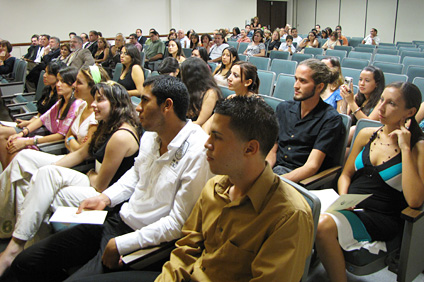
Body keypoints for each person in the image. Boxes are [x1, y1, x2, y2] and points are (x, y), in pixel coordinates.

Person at [73, 96, 315, 282]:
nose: (206, 144)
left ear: (250, 149)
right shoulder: (214, 188)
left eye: (216, 137)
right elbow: (186, 248)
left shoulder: (288, 216)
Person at [11, 75, 213, 281]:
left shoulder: (197, 150)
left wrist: (122, 244)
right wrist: (106, 198)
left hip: (144, 242)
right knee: (26, 261)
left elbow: (178, 223)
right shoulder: (152, 135)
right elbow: (136, 174)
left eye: (144, 100)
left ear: (167, 106)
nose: (138, 107)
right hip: (117, 222)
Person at [0, 81, 141, 276]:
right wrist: (45, 170)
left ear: (116, 104)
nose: (93, 104)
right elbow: (81, 153)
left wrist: (91, 175)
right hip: (92, 180)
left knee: (43, 193)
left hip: (106, 197)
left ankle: (24, 247)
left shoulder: (121, 136)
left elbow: (101, 184)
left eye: (100, 100)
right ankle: (21, 244)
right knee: (43, 175)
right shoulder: (106, 124)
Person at [316, 82, 424, 282]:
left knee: (322, 225)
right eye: (381, 99)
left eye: (391, 103)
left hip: (381, 216)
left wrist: (406, 148)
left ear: (410, 112)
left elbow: (415, 201)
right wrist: (344, 199)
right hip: (350, 206)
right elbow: (346, 174)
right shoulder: (367, 134)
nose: (380, 108)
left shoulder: (418, 148)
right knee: (301, 211)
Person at [0, 65, 109, 240]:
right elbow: (68, 135)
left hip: (76, 164)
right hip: (67, 155)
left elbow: (84, 150)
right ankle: (16, 224)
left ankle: (15, 227)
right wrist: (73, 141)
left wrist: (71, 141)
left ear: (92, 87)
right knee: (21, 159)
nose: (74, 86)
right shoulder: (82, 106)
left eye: (79, 83)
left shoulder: (96, 112)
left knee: (28, 174)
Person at [267, 59, 344, 183]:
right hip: (275, 171)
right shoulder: (284, 108)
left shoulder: (330, 119)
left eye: (303, 81)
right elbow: (273, 149)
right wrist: (265, 172)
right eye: (296, 79)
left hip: (299, 179)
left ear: (319, 87)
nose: (296, 85)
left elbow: (312, 166)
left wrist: (275, 181)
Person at [0, 67, 83, 169]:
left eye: (63, 82)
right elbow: (42, 119)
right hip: (45, 138)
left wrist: (27, 141)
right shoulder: (61, 102)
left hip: (54, 146)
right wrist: (22, 133)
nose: (58, 85)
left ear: (72, 85)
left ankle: (6, 179)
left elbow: (60, 136)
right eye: (58, 81)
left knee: (14, 151)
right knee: (10, 143)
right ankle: (6, 177)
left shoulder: (76, 105)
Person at [0, 61, 62, 164]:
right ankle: (7, 171)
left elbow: (47, 119)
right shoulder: (47, 90)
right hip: (34, 125)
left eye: (48, 73)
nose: (44, 76)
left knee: (2, 135)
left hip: (42, 129)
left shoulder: (59, 96)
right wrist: (29, 122)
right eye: (45, 72)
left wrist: (28, 124)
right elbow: (39, 114)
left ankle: (7, 171)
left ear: (58, 76)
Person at [202, 61, 260, 133]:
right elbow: (209, 123)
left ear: (247, 82)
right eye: (230, 73)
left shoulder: (256, 105)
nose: (229, 78)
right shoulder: (230, 98)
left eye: (235, 75)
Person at [181, 57, 222, 126]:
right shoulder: (189, 89)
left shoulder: (210, 93)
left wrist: (178, 127)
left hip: (197, 130)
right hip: (186, 126)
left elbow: (200, 122)